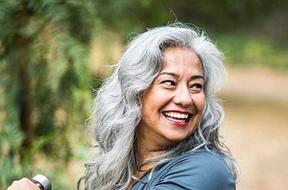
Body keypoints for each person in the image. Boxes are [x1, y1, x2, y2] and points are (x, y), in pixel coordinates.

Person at [7, 23, 238, 190]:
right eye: (169, 82)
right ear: (134, 91)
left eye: (196, 86)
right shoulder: (121, 168)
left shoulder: (207, 172)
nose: (186, 98)